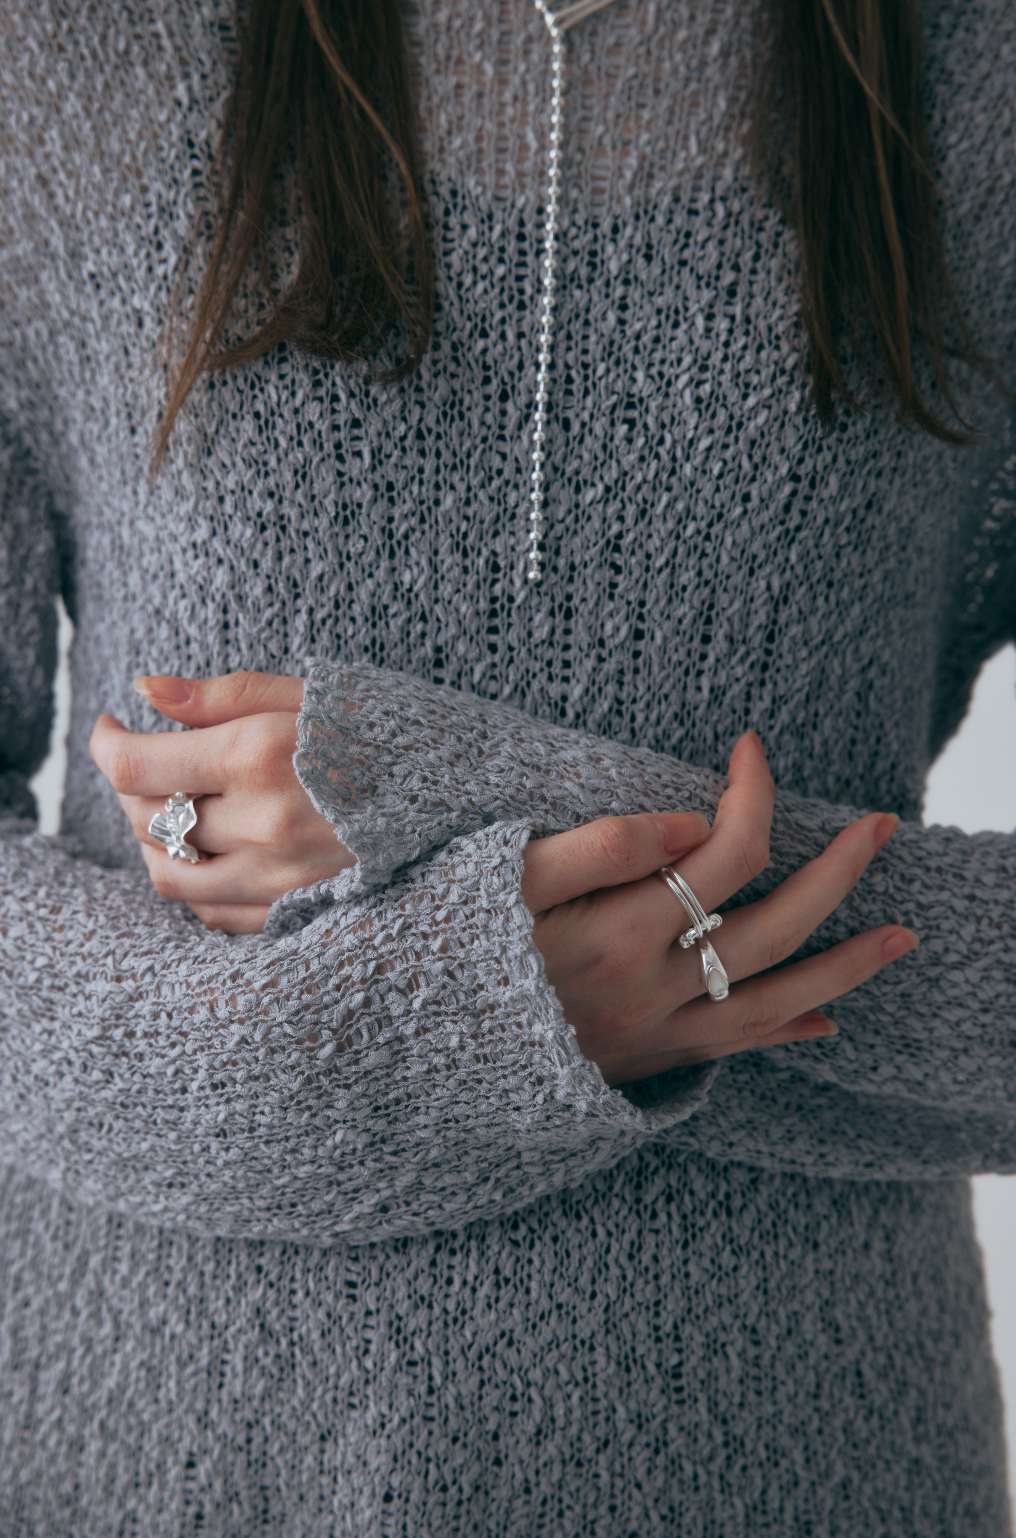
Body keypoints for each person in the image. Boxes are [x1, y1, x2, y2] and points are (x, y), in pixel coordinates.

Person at [1, 0, 1014, 1532]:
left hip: (797, 1467)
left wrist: (462, 789)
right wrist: (420, 1039)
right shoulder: (69, 55)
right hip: (154, 1462)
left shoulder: (980, 79)